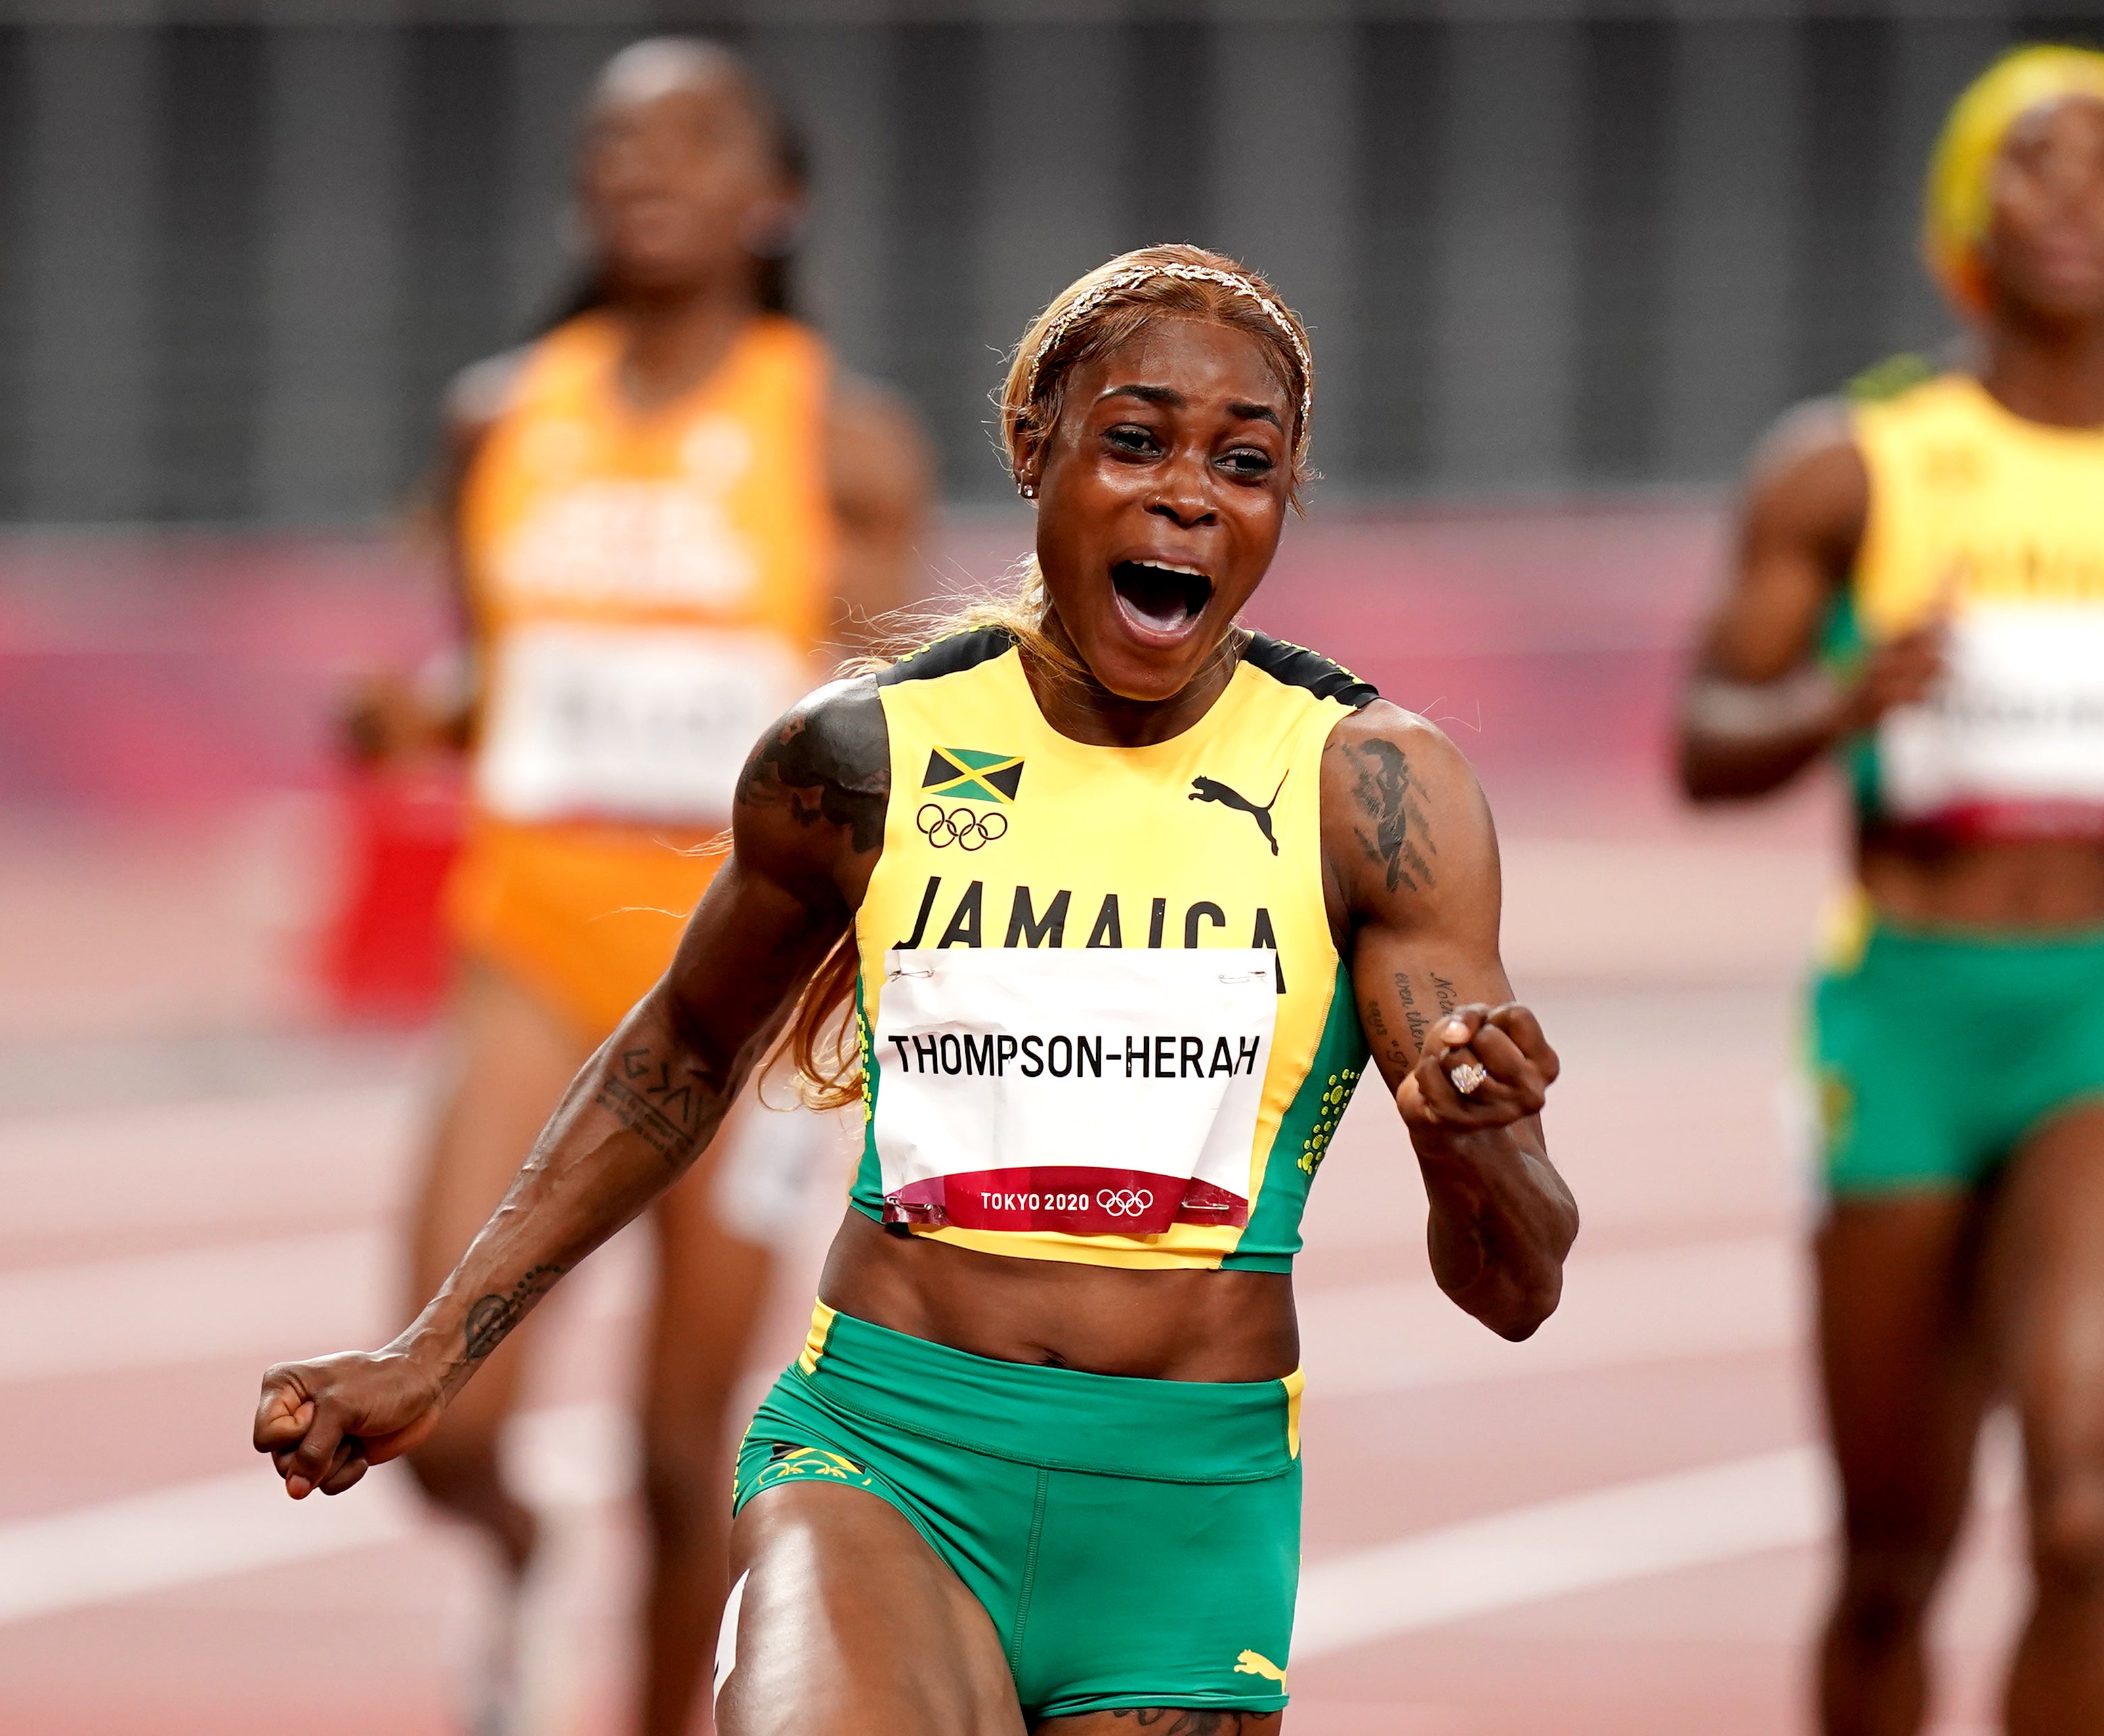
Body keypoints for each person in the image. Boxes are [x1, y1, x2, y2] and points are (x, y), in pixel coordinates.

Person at [257, 241, 1577, 1733]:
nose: (1187, 494)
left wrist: (1480, 1144)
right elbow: (683, 1049)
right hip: (884, 1453)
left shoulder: (1371, 790)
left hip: (1181, 1509)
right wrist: (432, 1349)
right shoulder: (858, 759)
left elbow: (1515, 1290)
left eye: (1245, 462)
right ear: (1034, 446)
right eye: (1134, 441)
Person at [1675, 47, 2104, 1736]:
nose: (2078, 196)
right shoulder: (1855, 466)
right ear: (1969, 209)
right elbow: (1705, 737)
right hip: (1903, 1012)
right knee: (1894, 1554)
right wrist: (1840, 696)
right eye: (2035, 159)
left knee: (2087, 1516)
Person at [348, 37, 930, 1736]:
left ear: (777, 198)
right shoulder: (501, 414)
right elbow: (499, 666)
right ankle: (522, 1555)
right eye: (613, 143)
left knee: (692, 1453)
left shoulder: (839, 436)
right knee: (442, 1413)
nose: (641, 168)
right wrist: (422, 708)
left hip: (738, 975)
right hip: (527, 945)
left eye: (691, 139)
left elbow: (878, 696)